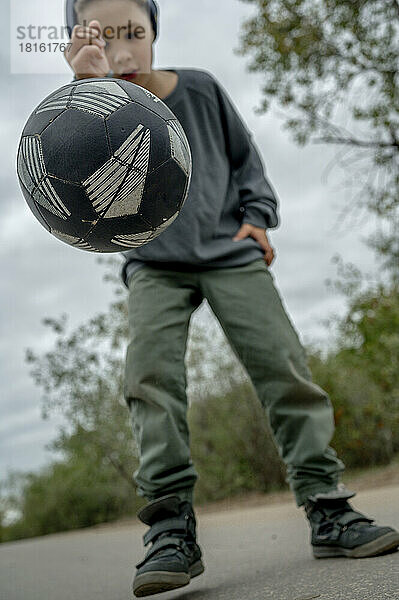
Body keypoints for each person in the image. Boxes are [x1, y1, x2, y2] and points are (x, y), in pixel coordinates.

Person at [64, 0, 399, 596]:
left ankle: (327, 506)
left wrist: (259, 218)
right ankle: (170, 527)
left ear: (154, 33)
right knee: (149, 376)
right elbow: (80, 195)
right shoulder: (91, 109)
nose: (121, 52)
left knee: (282, 364)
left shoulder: (199, 90)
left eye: (132, 34)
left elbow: (247, 160)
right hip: (155, 264)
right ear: (79, 42)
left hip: (228, 249)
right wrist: (85, 91)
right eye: (102, 38)